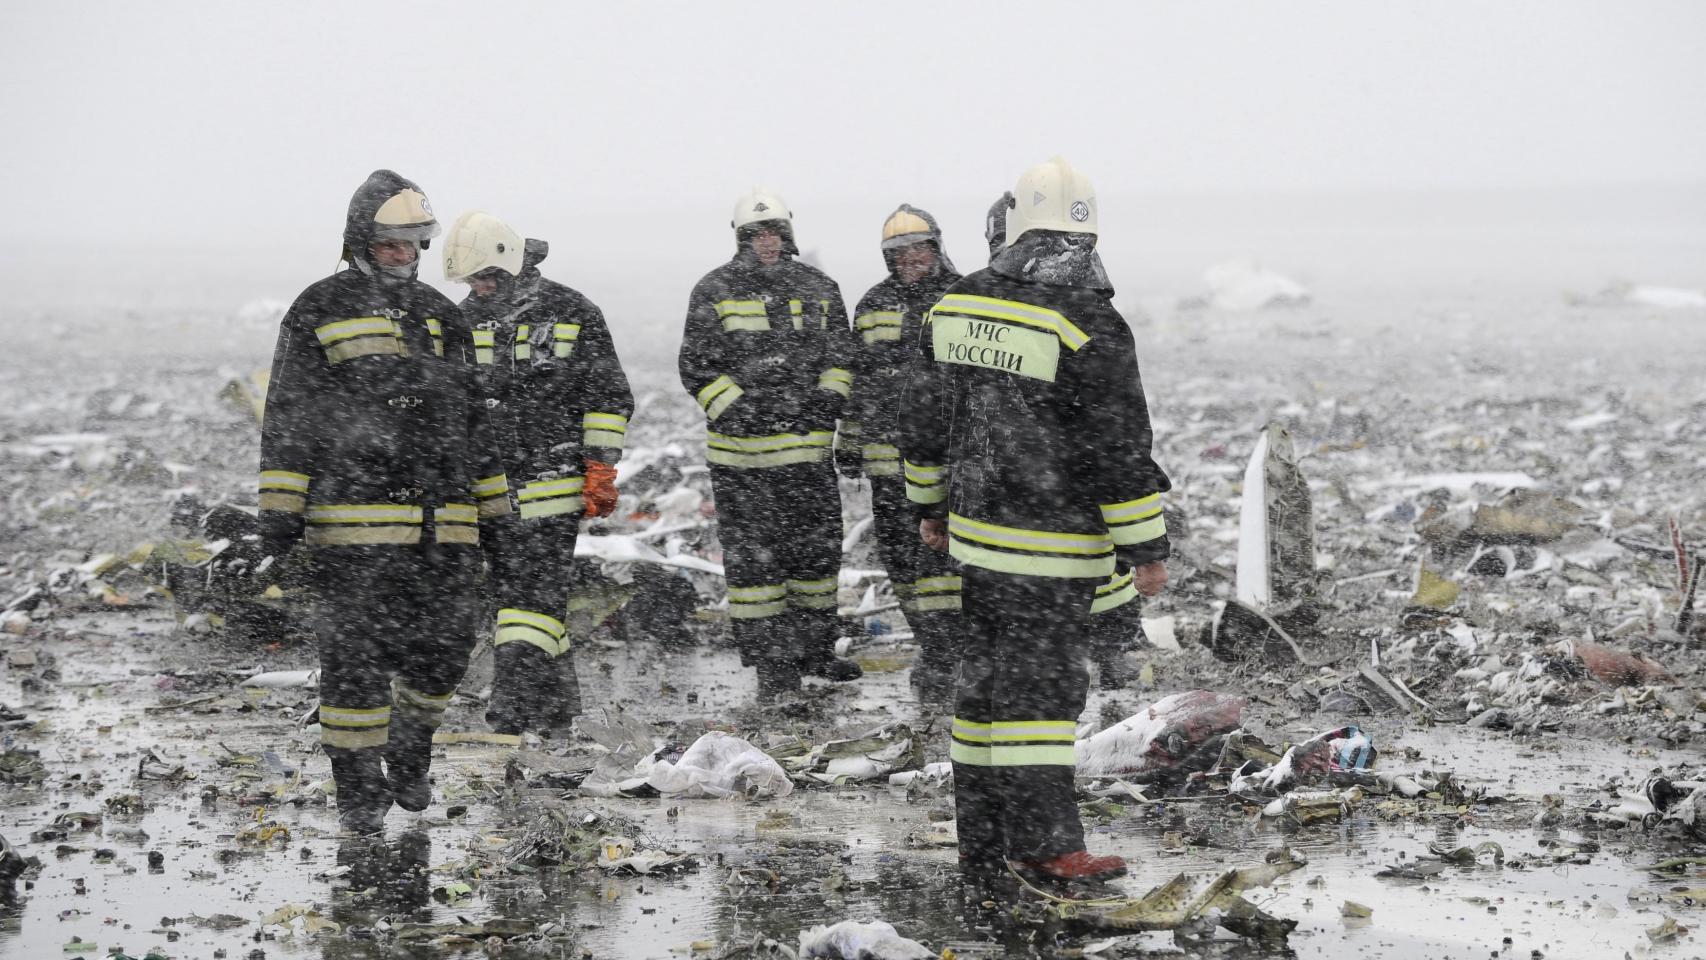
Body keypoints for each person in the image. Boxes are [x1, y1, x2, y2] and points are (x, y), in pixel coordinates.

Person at [899, 158, 1171, 886]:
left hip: (977, 543)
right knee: (1041, 703)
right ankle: (1048, 845)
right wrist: (1146, 547)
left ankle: (983, 844)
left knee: (983, 694)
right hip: (1053, 550)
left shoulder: (956, 303)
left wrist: (929, 509)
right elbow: (1118, 446)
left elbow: (923, 421)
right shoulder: (1090, 322)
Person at [258, 170, 513, 833]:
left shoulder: (441, 315)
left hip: (446, 523)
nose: (405, 256)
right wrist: (280, 512)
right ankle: (357, 787)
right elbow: (290, 413)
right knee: (356, 661)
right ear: (363, 241)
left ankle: (410, 747)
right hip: (353, 524)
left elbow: (474, 421)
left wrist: (498, 513)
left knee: (446, 650)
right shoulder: (319, 307)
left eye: (414, 244)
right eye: (393, 244)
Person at [442, 211, 634, 735]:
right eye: (471, 281)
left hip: (554, 479)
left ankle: (511, 709)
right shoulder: (462, 321)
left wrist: (600, 466)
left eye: (486, 277)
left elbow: (608, 397)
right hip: (492, 487)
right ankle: (555, 708)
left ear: (511, 263)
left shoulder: (572, 311)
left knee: (532, 596)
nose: (479, 288)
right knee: (522, 598)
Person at [677, 188, 863, 701]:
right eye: (757, 235)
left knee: (816, 563)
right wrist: (743, 412)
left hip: (806, 459)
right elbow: (696, 365)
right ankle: (773, 667)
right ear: (741, 239)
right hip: (743, 465)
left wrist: (826, 402)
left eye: (774, 233)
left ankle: (815, 650)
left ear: (788, 235)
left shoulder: (820, 287)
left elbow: (842, 358)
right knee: (756, 569)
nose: (767, 243)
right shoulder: (714, 289)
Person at [977, 194, 1151, 689]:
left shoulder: (982, 304)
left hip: (1016, 517)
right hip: (1053, 508)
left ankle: (1112, 670)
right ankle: (1108, 675)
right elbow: (1115, 433)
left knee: (1034, 662)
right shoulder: (1085, 312)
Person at [843, 205, 964, 706]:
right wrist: (849, 443)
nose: (911, 259)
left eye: (919, 248)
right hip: (886, 465)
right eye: (899, 252)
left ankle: (949, 654)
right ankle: (932, 646)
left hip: (947, 463)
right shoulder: (873, 304)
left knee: (943, 561)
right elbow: (859, 378)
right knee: (900, 561)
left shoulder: (964, 296)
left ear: (935, 248)